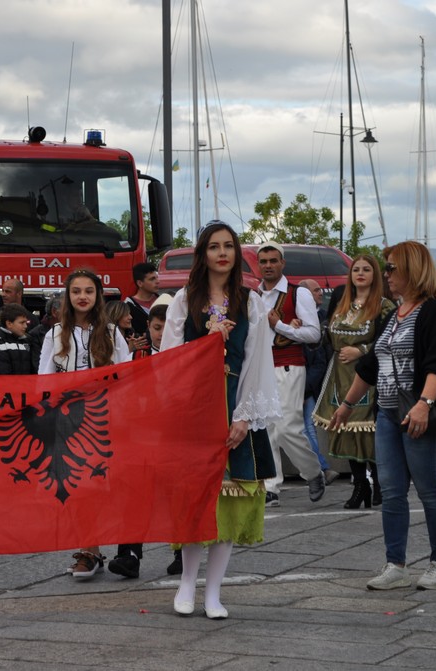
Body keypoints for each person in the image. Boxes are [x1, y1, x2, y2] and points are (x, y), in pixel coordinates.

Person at [161, 221, 279, 619]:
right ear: (203, 253)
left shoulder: (251, 303)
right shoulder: (183, 299)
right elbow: (169, 359)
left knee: (229, 501)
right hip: (194, 409)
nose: (222, 253)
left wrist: (245, 415)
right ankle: (185, 584)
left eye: (229, 246)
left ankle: (213, 593)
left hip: (234, 405)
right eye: (214, 247)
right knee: (197, 501)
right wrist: (206, 341)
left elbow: (259, 360)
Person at [330, 240, 436, 591]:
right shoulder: (395, 314)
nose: (386, 275)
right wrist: (346, 405)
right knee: (392, 490)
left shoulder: (433, 312)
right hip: (387, 413)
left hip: (418, 414)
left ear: (412, 270)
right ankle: (395, 564)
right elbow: (371, 366)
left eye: (391, 268)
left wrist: (424, 404)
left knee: (430, 490)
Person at [38, 269, 134, 579]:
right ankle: (88, 550)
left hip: (105, 417)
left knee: (103, 486)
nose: (82, 296)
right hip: (68, 419)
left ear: (97, 296)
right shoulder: (54, 333)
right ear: (68, 296)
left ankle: (113, 548)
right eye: (76, 291)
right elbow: (44, 379)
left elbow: (127, 373)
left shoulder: (110, 331)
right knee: (76, 486)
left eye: (88, 291)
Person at [313, 255, 396, 508]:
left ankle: (379, 482)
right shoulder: (341, 301)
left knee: (368, 430)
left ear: (376, 274)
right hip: (339, 373)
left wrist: (361, 351)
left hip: (367, 374)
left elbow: (388, 340)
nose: (360, 273)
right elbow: (327, 334)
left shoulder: (384, 306)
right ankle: (360, 485)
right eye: (356, 269)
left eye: (366, 269)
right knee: (346, 428)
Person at [256, 241, 325, 506]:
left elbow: (313, 333)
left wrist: (281, 326)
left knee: (287, 428)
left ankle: (313, 472)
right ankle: (271, 487)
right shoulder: (255, 296)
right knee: (266, 427)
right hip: (263, 366)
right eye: (264, 261)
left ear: (282, 263)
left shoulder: (299, 294)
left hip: (290, 364)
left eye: (273, 261)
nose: (268, 266)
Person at [299, 278, 339, 486]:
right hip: (299, 382)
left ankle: (320, 469)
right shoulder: (298, 322)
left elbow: (319, 361)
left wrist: (304, 389)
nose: (321, 293)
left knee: (306, 428)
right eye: (316, 291)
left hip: (307, 386)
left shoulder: (322, 321)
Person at [124, 262, 160, 350]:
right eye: (152, 279)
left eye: (157, 278)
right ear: (140, 283)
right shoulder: (128, 306)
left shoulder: (163, 301)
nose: (157, 282)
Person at [0, 303, 35, 374]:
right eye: (22, 323)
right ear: (9, 324)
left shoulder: (27, 340)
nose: (26, 326)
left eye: (26, 322)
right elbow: (3, 371)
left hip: (27, 383)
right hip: (8, 383)